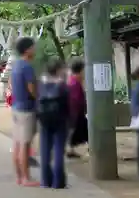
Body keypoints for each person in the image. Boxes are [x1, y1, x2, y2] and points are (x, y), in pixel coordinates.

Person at [11, 37, 39, 187]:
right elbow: (31, 88)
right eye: (33, 47)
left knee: (16, 144)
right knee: (25, 145)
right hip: (26, 109)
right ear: (27, 50)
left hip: (16, 107)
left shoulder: (16, 65)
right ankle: (26, 178)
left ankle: (19, 177)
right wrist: (39, 98)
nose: (35, 50)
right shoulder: (27, 67)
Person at [37, 59, 69, 189]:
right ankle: (58, 182)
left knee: (45, 151)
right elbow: (68, 104)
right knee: (58, 151)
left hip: (44, 120)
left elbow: (36, 101)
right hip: (60, 120)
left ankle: (45, 181)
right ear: (58, 70)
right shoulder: (62, 85)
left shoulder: (40, 84)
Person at [67, 57, 87, 158]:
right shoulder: (74, 83)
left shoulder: (74, 81)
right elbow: (75, 101)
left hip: (76, 113)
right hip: (75, 113)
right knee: (82, 131)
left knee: (76, 132)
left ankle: (70, 150)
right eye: (83, 70)